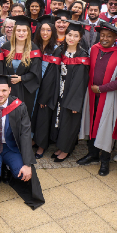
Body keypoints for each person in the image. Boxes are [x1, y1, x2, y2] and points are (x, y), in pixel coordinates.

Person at [0, 74, 45, 209]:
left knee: (22, 174)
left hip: (10, 148)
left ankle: (8, 170)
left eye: (4, 90)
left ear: (9, 90)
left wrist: (27, 164)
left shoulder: (19, 107)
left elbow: (25, 135)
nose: (0, 94)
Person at [79, 22, 117, 176]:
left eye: (109, 36)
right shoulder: (94, 49)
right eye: (102, 35)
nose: (104, 38)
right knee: (92, 124)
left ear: (116, 38)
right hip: (91, 95)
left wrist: (101, 88)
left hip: (109, 96)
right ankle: (92, 154)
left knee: (106, 127)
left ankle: (104, 161)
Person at [47, 22, 90, 162]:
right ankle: (60, 146)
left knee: (69, 123)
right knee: (59, 121)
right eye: (69, 34)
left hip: (72, 96)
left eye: (75, 36)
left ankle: (66, 149)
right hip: (59, 92)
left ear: (80, 38)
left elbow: (81, 82)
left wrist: (75, 104)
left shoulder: (82, 55)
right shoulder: (60, 51)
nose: (71, 38)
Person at [1, 16, 42, 120]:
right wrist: (7, 79)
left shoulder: (34, 49)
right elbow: (1, 68)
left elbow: (35, 72)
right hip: (8, 88)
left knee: (23, 115)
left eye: (24, 31)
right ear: (14, 32)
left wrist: (21, 78)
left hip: (25, 89)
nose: (21, 33)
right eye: (18, 30)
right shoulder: (6, 47)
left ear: (28, 32)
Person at [31, 16, 57, 157]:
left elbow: (53, 76)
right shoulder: (34, 46)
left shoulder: (55, 50)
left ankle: (42, 145)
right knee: (32, 115)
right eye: (42, 29)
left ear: (53, 32)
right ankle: (33, 139)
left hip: (46, 90)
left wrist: (45, 96)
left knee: (43, 118)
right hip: (32, 87)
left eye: (48, 30)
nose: (45, 32)